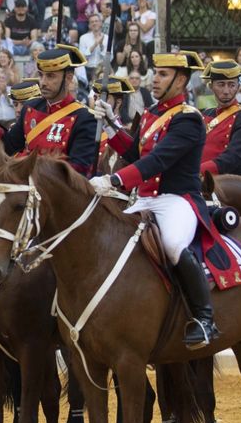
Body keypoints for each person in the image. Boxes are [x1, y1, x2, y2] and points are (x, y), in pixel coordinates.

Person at [91, 50, 216, 350]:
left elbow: (158, 161)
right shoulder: (151, 114)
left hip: (177, 199)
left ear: (181, 80)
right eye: (155, 73)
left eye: (162, 75)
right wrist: (112, 126)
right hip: (145, 199)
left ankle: (204, 317)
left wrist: (114, 180)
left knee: (173, 244)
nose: (154, 79)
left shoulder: (188, 119)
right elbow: (135, 154)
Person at [0, 44, 98, 173]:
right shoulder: (31, 107)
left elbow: (78, 169)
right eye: (41, 75)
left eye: (51, 76)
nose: (43, 82)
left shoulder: (84, 118)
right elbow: (7, 146)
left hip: (53, 188)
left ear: (68, 78)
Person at [197, 58, 241, 176]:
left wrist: (197, 171)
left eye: (231, 85)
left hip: (231, 186)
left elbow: (233, 157)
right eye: (221, 84)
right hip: (201, 181)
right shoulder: (205, 114)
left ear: (238, 87)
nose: (226, 91)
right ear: (211, 86)